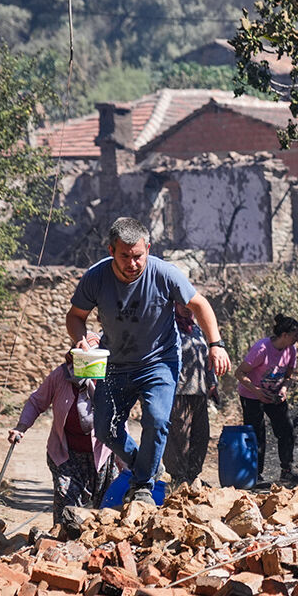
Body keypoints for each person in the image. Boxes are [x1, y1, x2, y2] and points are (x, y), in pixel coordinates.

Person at [66, 217, 231, 506]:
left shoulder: (165, 273)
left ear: (148, 249)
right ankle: (148, 468)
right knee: (105, 429)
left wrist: (215, 344)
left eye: (138, 256)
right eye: (124, 256)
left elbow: (199, 304)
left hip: (158, 361)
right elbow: (75, 316)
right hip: (114, 364)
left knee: (156, 419)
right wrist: (81, 338)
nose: (132, 263)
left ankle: (142, 484)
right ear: (111, 251)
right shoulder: (96, 277)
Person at [8, 348, 116, 529]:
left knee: (106, 508)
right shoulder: (60, 376)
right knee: (66, 500)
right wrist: (21, 427)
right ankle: (60, 543)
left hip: (101, 454)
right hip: (66, 453)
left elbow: (119, 421)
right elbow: (37, 401)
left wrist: (127, 462)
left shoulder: (108, 379)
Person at [236, 314, 298, 484]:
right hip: (251, 394)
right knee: (257, 434)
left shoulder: (291, 350)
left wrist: (284, 390)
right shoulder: (262, 349)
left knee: (286, 429)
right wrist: (257, 392)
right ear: (285, 335)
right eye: (295, 335)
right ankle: (255, 475)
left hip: (274, 394)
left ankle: (286, 471)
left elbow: (288, 376)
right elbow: (239, 373)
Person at [164, 303, 220, 489]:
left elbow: (207, 357)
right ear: (175, 305)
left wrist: (213, 384)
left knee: (201, 435)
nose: (187, 308)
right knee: (179, 437)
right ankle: (178, 479)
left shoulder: (196, 329)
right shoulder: (167, 328)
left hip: (199, 390)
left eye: (190, 304)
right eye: (182, 304)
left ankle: (193, 476)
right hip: (178, 391)